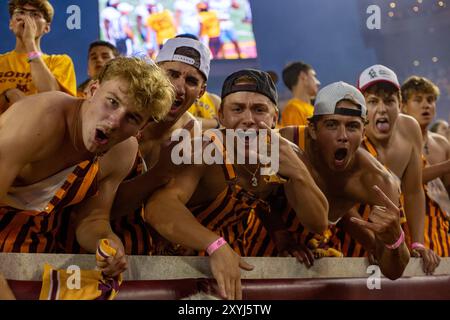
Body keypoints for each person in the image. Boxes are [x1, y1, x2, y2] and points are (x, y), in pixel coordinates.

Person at [144, 69, 329, 299]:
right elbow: (156, 208)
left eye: (259, 110)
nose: (249, 119)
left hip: (235, 260)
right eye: (237, 109)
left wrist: (299, 174)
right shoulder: (203, 150)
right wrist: (215, 245)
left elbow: (318, 223)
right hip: (177, 264)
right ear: (221, 116)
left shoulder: (285, 154)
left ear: (274, 117)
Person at [0, 57, 173, 278]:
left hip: (30, 243)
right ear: (92, 91)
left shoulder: (122, 151)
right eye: (112, 101)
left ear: (142, 127)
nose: (114, 122)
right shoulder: (40, 118)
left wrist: (108, 245)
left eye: (132, 117)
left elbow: (93, 220)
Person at [249, 81, 410, 280]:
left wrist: (393, 240)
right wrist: (282, 236)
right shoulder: (287, 140)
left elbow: (394, 272)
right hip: (255, 243)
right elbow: (256, 195)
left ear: (363, 133)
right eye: (332, 125)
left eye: (352, 126)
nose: (342, 136)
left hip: (314, 254)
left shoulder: (378, 180)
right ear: (313, 130)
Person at [108, 36, 212, 256]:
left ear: (202, 92)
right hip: (98, 240)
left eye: (191, 81)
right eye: (172, 74)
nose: (178, 87)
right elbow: (103, 207)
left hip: (149, 250)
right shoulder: (120, 118)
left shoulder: (193, 135)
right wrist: (159, 174)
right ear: (155, 72)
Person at [348, 64, 439, 274]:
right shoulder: (350, 133)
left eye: (389, 101)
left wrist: (417, 243)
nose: (382, 108)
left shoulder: (410, 129)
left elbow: (414, 190)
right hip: (349, 232)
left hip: (395, 233)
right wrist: (371, 241)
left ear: (400, 104)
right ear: (360, 107)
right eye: (372, 101)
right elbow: (335, 196)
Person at [401, 75, 450, 256]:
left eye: (430, 100)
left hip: (442, 228)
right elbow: (403, 181)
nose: (426, 105)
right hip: (409, 226)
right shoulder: (395, 140)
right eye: (418, 100)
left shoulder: (443, 143)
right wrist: (446, 166)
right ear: (403, 105)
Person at [0, 0, 77, 113]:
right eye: (20, 12)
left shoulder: (60, 61)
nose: (26, 18)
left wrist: (29, 43)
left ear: (46, 27)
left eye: (35, 14)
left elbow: (55, 100)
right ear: (11, 23)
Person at [280, 61, 320, 127]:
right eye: (314, 76)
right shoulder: (293, 109)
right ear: (303, 76)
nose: (318, 82)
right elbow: (295, 137)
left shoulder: (310, 108)